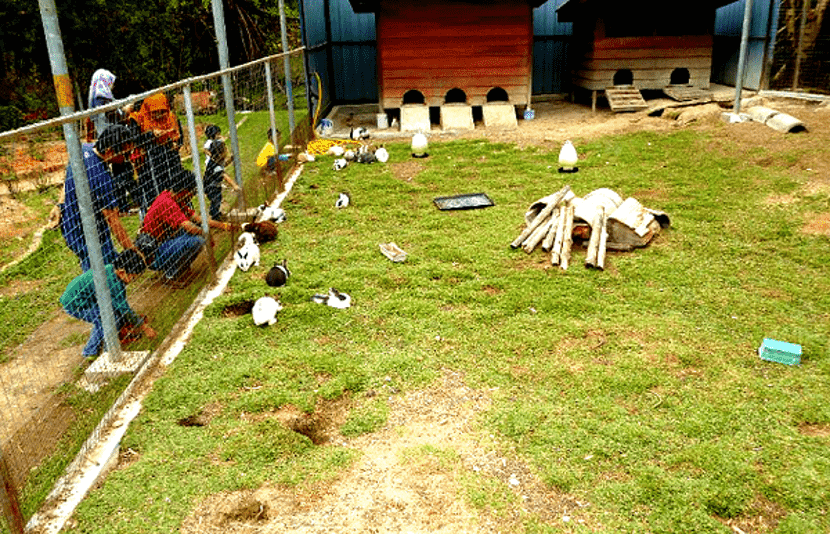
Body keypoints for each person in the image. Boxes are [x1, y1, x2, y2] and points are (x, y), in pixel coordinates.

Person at [60, 124, 140, 271]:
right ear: (110, 151)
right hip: (85, 234)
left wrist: (59, 204)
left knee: (110, 262)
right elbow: (114, 221)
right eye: (125, 154)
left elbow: (67, 176)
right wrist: (134, 252)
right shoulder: (101, 178)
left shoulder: (84, 149)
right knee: (98, 272)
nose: (128, 159)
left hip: (73, 224)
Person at [138, 170, 236, 288]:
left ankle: (180, 268)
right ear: (184, 191)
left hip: (164, 243)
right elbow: (190, 227)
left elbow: (198, 219)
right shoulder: (167, 202)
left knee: (196, 233)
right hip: (154, 253)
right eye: (192, 192)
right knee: (197, 240)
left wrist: (225, 226)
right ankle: (171, 275)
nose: (192, 195)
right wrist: (206, 235)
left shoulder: (174, 198)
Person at [60, 249, 156, 359]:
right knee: (105, 320)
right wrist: (144, 327)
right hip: (77, 305)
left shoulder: (113, 272)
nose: (133, 280)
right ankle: (95, 351)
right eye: (132, 277)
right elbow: (124, 309)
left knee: (113, 317)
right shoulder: (111, 281)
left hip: (89, 300)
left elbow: (120, 304)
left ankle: (113, 340)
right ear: (121, 272)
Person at [203, 139, 241, 221]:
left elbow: (224, 165)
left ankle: (215, 213)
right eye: (225, 150)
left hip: (214, 185)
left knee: (217, 199)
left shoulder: (216, 161)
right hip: (210, 187)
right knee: (216, 200)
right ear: (220, 154)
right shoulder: (215, 165)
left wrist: (231, 159)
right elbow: (224, 175)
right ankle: (215, 216)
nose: (227, 151)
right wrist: (234, 185)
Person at [88, 69, 117, 138]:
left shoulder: (94, 99)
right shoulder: (105, 99)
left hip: (103, 136)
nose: (112, 85)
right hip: (110, 135)